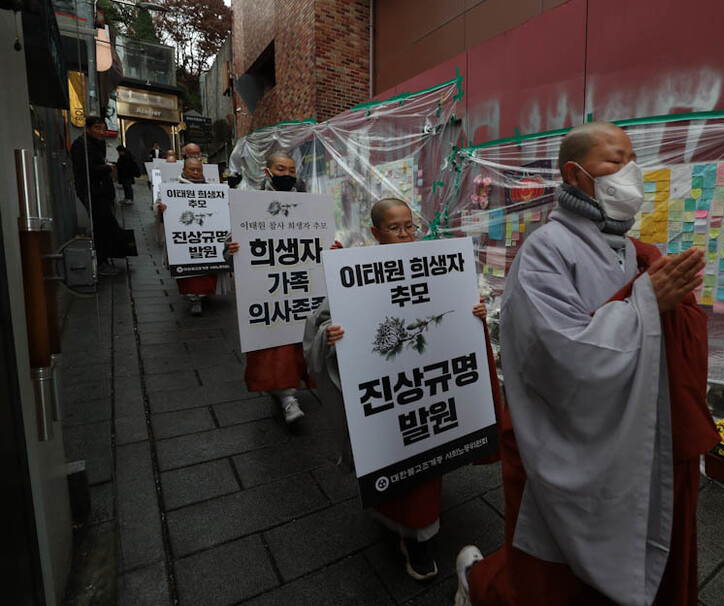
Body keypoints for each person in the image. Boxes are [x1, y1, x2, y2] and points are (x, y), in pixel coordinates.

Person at [455, 122, 719, 606]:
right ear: (574, 175)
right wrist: (644, 305)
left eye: (633, 161)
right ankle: (477, 587)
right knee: (554, 576)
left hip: (631, 431)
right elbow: (556, 352)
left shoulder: (636, 252)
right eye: (615, 161)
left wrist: (659, 306)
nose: (630, 173)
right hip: (570, 433)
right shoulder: (545, 250)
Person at [303, 198, 500, 583]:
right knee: (396, 460)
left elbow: (458, 313)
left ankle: (421, 535)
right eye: (395, 228)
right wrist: (330, 336)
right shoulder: (355, 273)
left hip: (429, 391)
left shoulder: (437, 266)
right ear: (375, 232)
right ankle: (415, 536)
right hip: (390, 395)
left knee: (425, 466)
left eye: (410, 226)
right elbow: (322, 322)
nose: (406, 234)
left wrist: (474, 313)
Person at [225, 152, 311, 424]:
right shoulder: (249, 203)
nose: (287, 174)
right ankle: (286, 396)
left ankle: (291, 388)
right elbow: (230, 244)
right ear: (267, 171)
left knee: (301, 338)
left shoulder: (308, 202)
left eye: (291, 170)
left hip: (299, 282)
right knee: (275, 341)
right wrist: (232, 250)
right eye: (281, 169)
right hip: (267, 284)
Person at [157, 158, 219, 316]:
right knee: (189, 273)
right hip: (186, 239)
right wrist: (161, 208)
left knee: (207, 269)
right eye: (192, 169)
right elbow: (158, 207)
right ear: (184, 170)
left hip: (206, 238)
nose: (196, 173)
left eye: (199, 169)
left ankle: (204, 295)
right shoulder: (172, 189)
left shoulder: (211, 189)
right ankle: (193, 298)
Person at [70, 115, 122, 276]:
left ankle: (107, 257)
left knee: (106, 224)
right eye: (97, 128)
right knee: (100, 225)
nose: (101, 132)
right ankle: (102, 262)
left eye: (103, 128)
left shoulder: (97, 144)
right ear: (87, 129)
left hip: (102, 191)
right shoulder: (82, 145)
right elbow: (86, 170)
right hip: (92, 192)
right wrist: (107, 168)